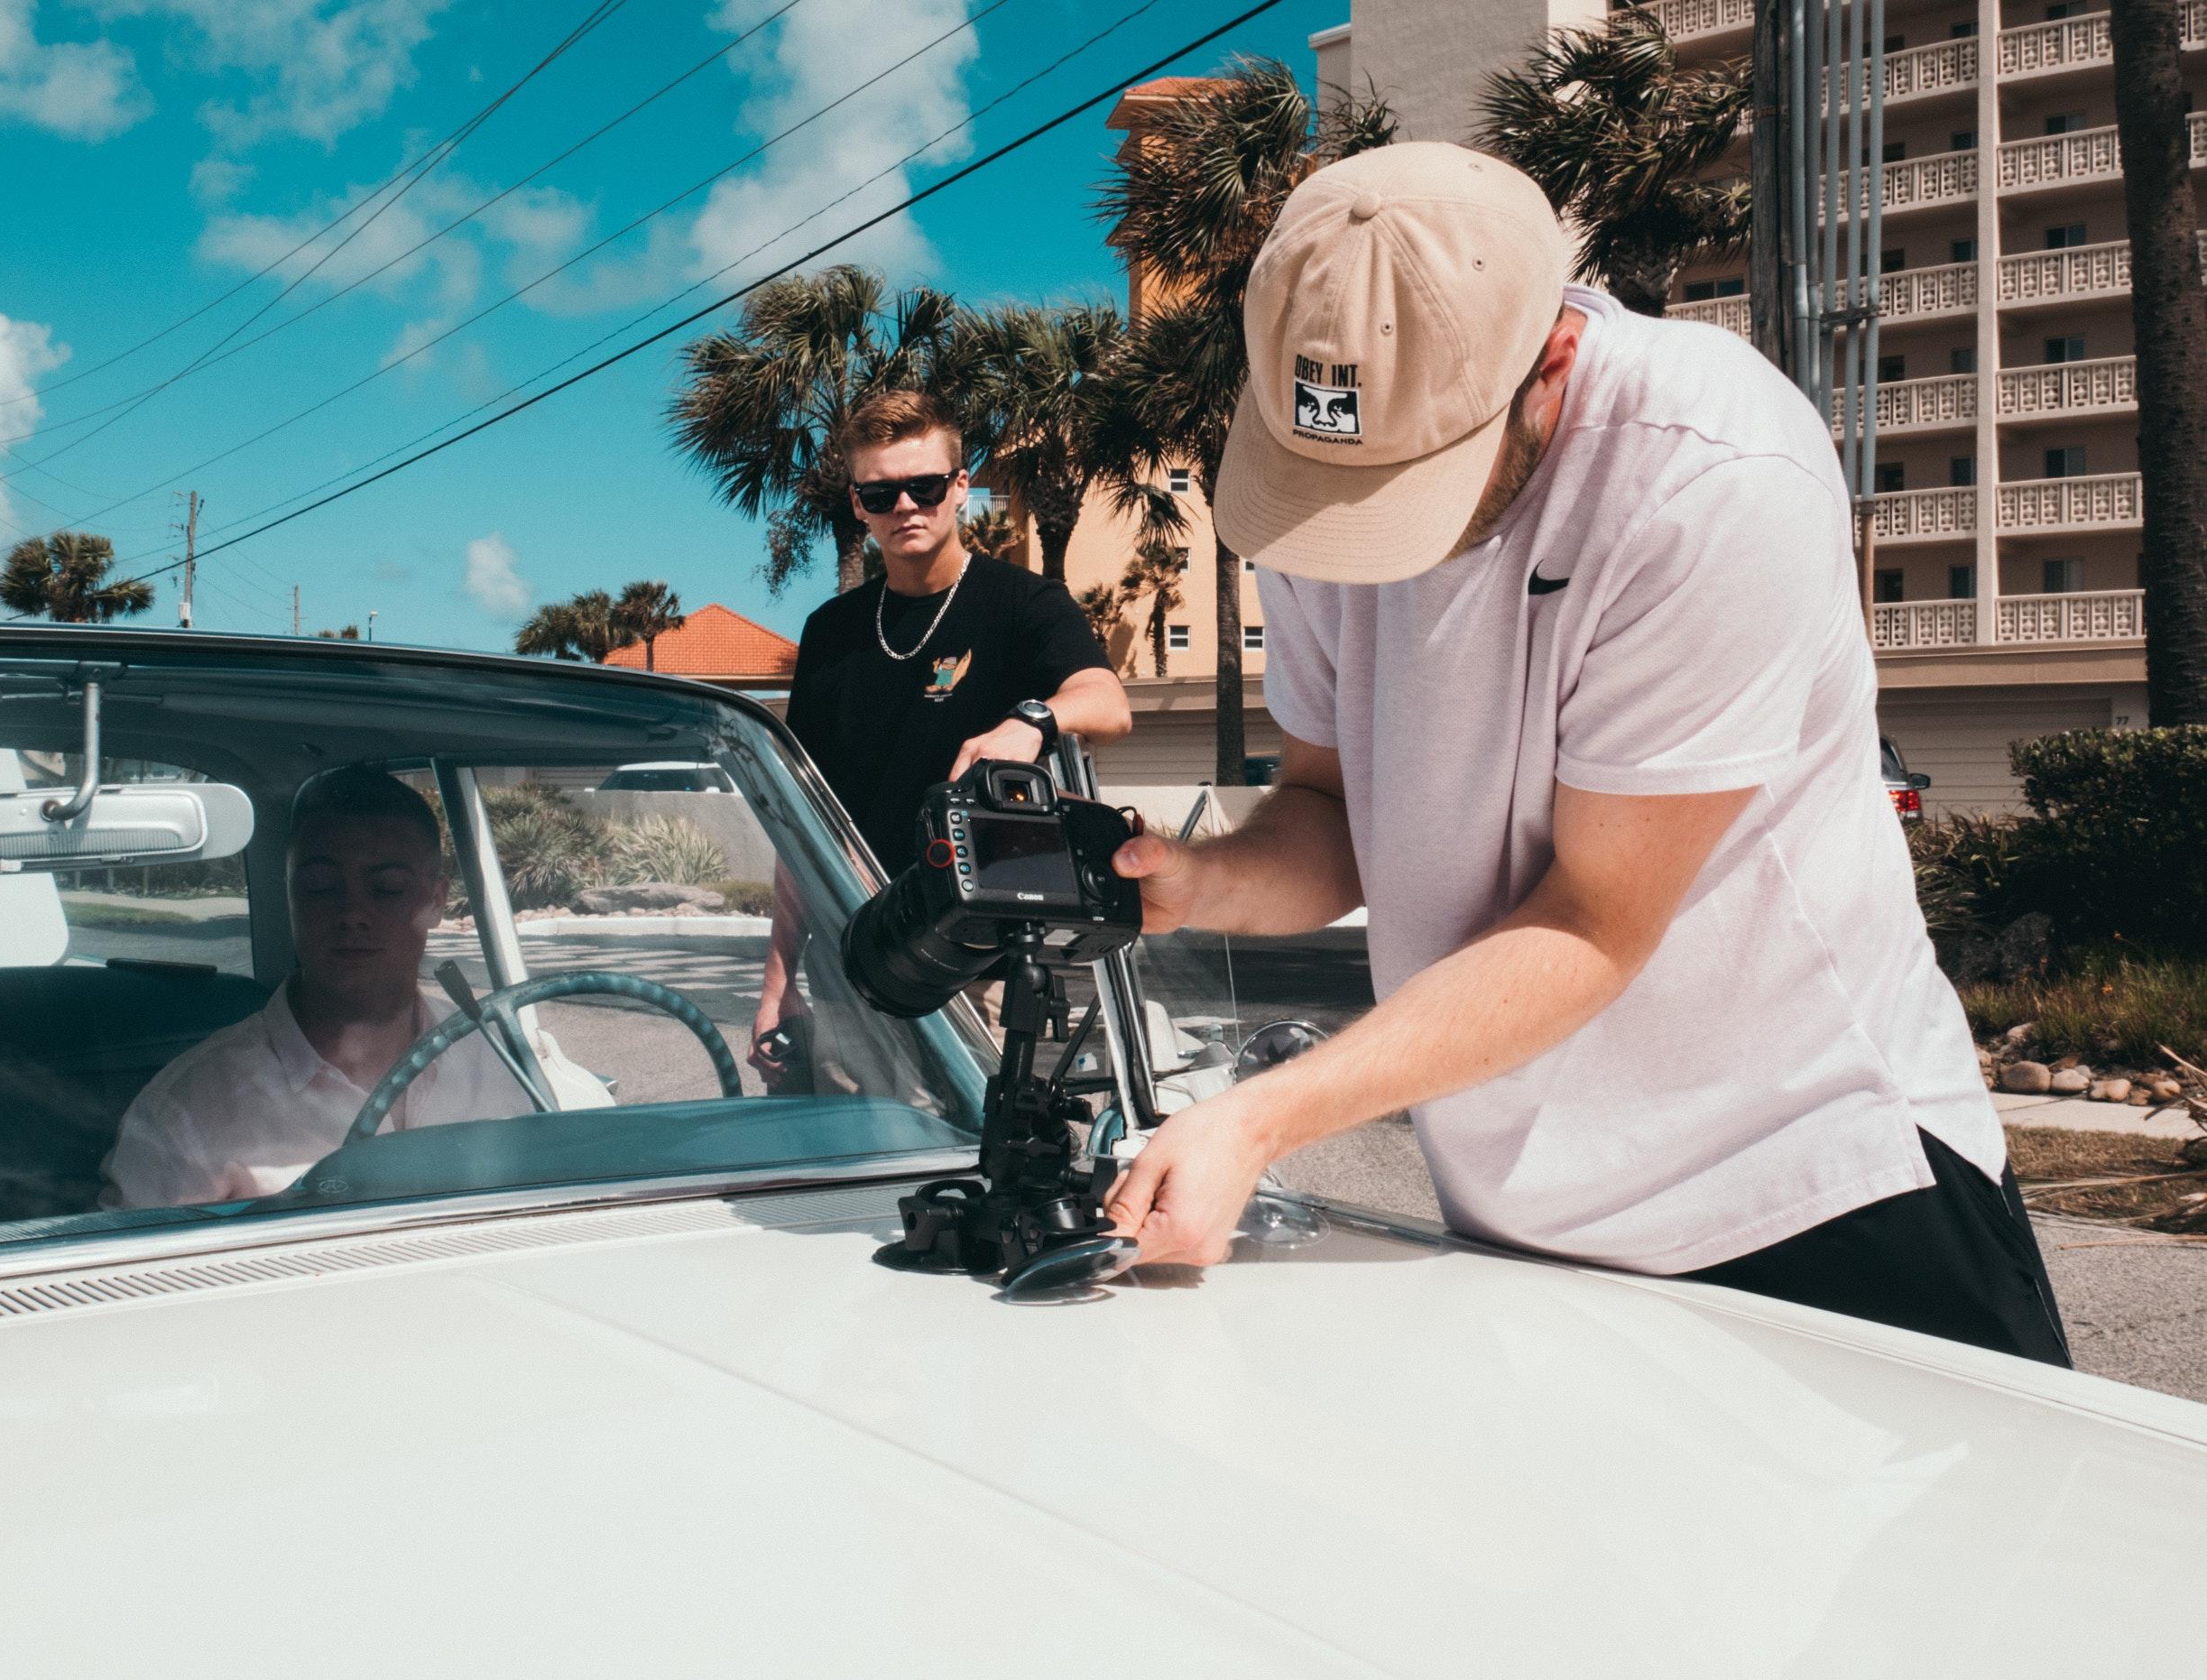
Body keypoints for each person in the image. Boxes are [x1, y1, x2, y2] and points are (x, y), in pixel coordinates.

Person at [1102, 143, 2070, 1366]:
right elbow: (1331, 808)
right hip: (1524, 1216)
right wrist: (1200, 883)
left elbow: (1592, 919)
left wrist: (1260, 1119)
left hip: (1810, 1185)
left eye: (1414, 480)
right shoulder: (1317, 478)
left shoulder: (1711, 474)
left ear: (1550, 354)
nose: (1356, 534)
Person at [751, 389, 1131, 1082]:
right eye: (880, 493)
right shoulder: (831, 633)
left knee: (968, 1154)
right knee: (854, 1153)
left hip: (979, 947)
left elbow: (1106, 702)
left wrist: (1032, 722)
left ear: (959, 488)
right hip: (858, 942)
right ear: (858, 503)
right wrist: (779, 984)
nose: (904, 508)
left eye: (923, 487)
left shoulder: (1022, 604)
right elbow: (800, 824)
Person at [100, 768, 602, 1208]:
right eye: (320, 886)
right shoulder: (191, 1107)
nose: (353, 914)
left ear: (436, 900)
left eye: (386, 889)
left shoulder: (505, 1055)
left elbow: (605, 1176)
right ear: (291, 897)